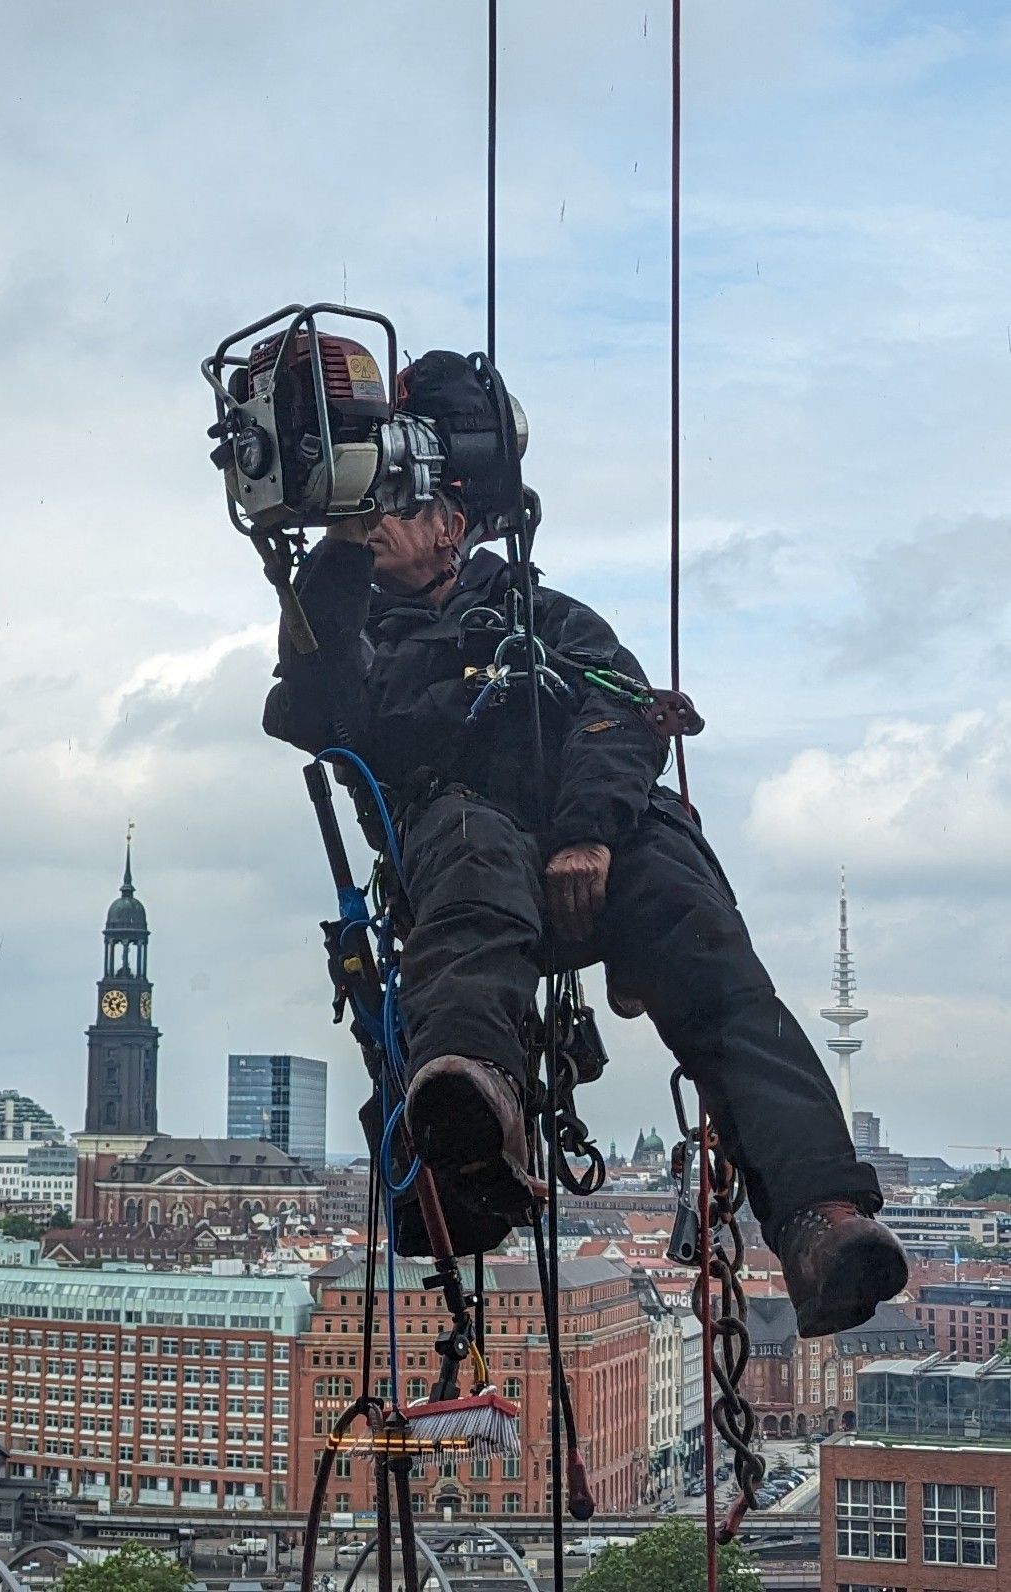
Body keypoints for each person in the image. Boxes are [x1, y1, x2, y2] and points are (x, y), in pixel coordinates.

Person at [263, 350, 908, 1338]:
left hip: (594, 844)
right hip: (464, 848)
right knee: (473, 860)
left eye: (407, 505)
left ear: (453, 526)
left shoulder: (542, 615)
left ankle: (820, 1212)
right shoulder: (354, 630)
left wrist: (586, 836)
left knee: (709, 953)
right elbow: (315, 708)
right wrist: (340, 548)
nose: (388, 519)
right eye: (380, 505)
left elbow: (621, 711)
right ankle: (469, 1100)